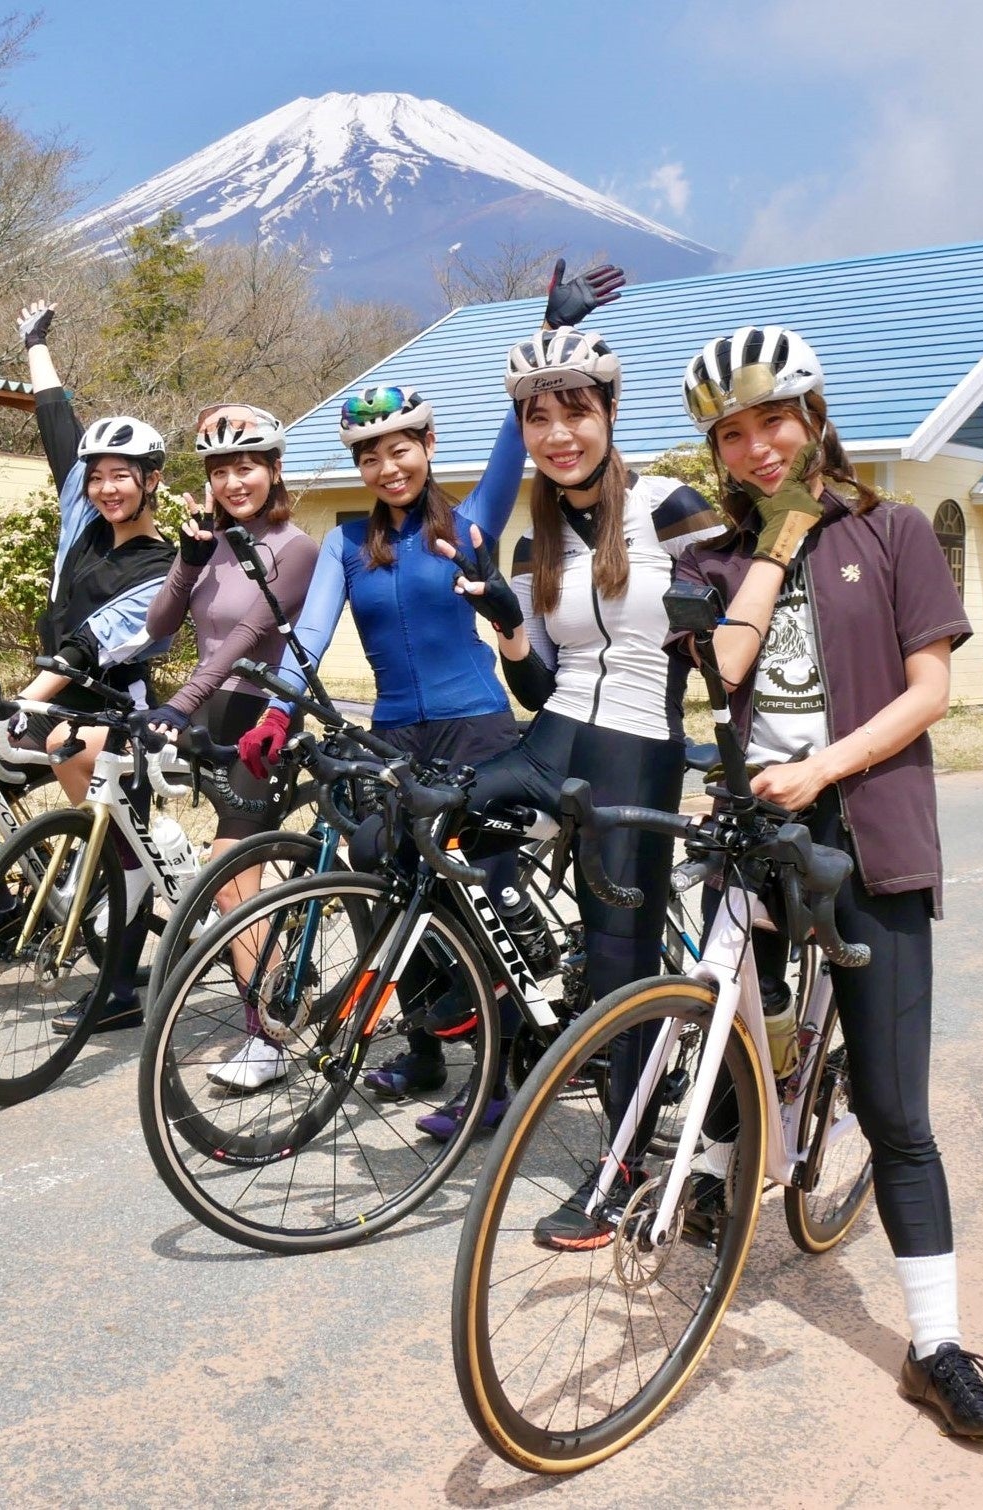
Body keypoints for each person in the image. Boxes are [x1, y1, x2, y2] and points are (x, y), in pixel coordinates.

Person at [672, 324, 983, 1438]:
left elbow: (929, 691)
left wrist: (822, 767)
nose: (757, 447)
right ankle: (721, 1164)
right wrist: (776, 541)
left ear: (814, 418)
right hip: (753, 826)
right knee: (726, 1029)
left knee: (893, 1107)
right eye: (733, 434)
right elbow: (725, 666)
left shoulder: (895, 529)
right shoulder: (713, 559)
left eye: (774, 421)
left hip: (869, 827)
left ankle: (936, 1346)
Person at [238, 260, 627, 1102]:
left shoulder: (471, 520)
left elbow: (515, 431)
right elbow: (310, 633)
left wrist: (551, 330)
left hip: (476, 727)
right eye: (370, 456)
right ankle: (423, 1050)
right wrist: (275, 713)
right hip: (394, 736)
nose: (388, 467)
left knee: (487, 894)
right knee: (389, 887)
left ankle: (506, 1068)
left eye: (401, 449)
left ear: (426, 447)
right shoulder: (346, 544)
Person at [425, 326, 725, 1150]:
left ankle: (623, 1161)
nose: (557, 434)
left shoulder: (667, 506)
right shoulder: (536, 538)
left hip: (636, 748)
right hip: (549, 742)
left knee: (618, 963)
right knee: (403, 825)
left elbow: (731, 642)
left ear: (610, 412)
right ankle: (494, 994)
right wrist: (506, 625)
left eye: (575, 412)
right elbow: (535, 686)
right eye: (537, 419)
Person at [142, 403, 319, 1090]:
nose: (233, 482)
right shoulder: (209, 541)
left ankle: (266, 1037)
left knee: (232, 876)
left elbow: (245, 639)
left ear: (273, 469)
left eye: (246, 467)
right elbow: (161, 624)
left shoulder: (294, 549)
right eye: (220, 471)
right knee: (226, 879)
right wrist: (186, 563)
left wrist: (179, 704)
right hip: (208, 712)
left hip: (259, 717)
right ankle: (267, 979)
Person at [14, 300, 178, 1033]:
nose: (107, 488)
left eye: (123, 476)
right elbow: (57, 422)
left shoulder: (163, 564)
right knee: (15, 776)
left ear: (151, 480)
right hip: (57, 697)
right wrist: (35, 344)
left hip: (115, 707)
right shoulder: (82, 519)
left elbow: (93, 644)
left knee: (117, 843)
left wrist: (28, 698)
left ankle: (117, 989)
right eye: (99, 476)